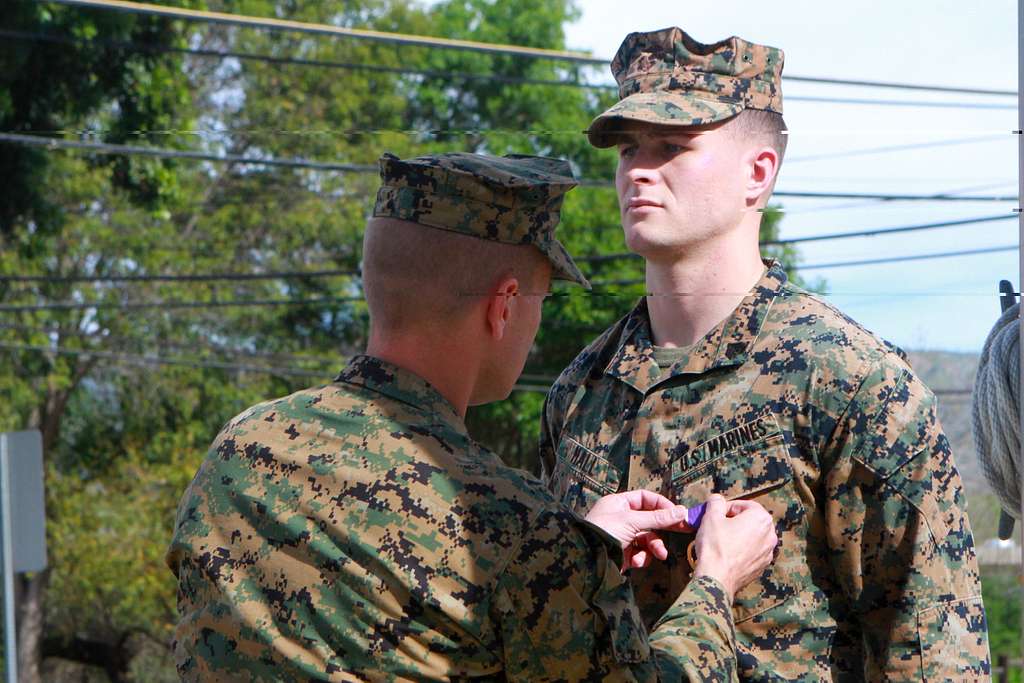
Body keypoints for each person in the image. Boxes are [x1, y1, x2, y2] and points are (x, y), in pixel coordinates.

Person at [165, 151, 779, 681]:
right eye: (541, 296)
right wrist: (716, 584)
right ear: (504, 306)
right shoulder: (514, 530)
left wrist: (577, 548)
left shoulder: (241, 448)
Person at [539, 27, 992, 681]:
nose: (639, 168)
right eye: (628, 148)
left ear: (759, 173)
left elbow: (928, 655)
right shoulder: (580, 390)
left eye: (672, 146)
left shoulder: (850, 381)